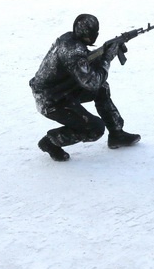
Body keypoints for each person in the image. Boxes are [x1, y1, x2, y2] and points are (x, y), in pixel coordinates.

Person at [30, 14, 141, 161]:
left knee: (102, 88)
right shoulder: (73, 52)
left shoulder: (70, 39)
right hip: (51, 100)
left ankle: (117, 134)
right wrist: (107, 58)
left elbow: (85, 63)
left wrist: (104, 52)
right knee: (95, 129)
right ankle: (50, 142)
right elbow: (92, 81)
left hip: (63, 90)